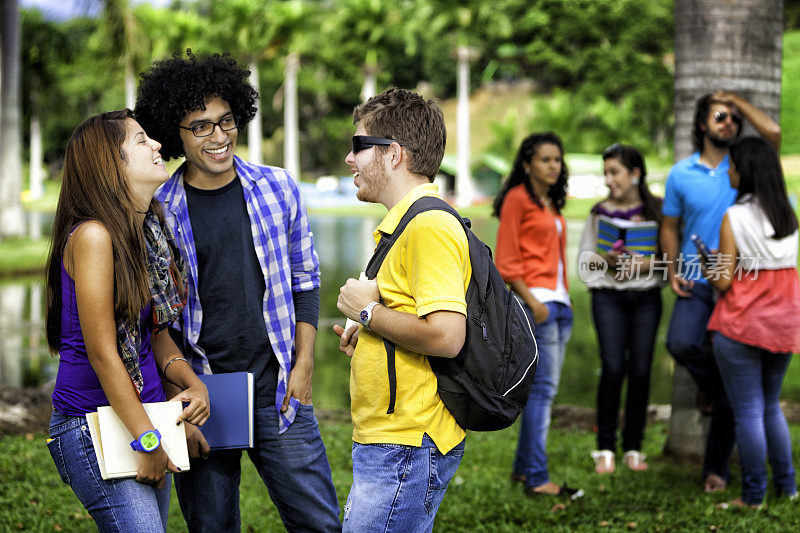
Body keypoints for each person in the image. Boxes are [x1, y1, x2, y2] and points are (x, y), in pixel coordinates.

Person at [134, 52, 340, 531]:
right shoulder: (158, 209)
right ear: (175, 133)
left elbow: (305, 281)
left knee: (320, 524)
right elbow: (153, 320)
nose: (219, 136)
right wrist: (177, 406)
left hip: (279, 391)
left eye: (226, 121)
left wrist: (305, 363)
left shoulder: (278, 188)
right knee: (212, 527)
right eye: (201, 126)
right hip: (201, 393)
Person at [44, 109, 210, 531]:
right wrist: (148, 439)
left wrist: (189, 387)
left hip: (145, 416)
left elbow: (152, 333)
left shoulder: (146, 230)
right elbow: (103, 353)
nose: (157, 145)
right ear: (110, 164)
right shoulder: (94, 236)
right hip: (93, 427)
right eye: (141, 140)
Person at [333, 88, 468, 532]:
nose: (350, 159)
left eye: (359, 146)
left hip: (408, 440)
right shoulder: (405, 224)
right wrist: (372, 333)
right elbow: (413, 317)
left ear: (393, 154)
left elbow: (448, 337)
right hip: (393, 440)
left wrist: (369, 314)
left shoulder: (428, 225)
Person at [660, 90, 781, 492]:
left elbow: (774, 133)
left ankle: (716, 469)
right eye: (719, 116)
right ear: (700, 124)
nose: (727, 122)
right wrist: (673, 266)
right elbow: (669, 226)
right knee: (680, 343)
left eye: (732, 118)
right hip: (697, 279)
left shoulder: (747, 165)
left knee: (736, 380)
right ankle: (712, 388)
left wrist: (738, 101)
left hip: (740, 287)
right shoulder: (680, 174)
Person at [704, 137, 799, 509]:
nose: (728, 170)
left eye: (731, 165)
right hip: (784, 325)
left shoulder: (734, 216)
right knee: (771, 408)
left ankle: (753, 495)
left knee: (747, 411)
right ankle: (788, 488)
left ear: (744, 172)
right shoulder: (788, 214)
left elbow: (725, 281)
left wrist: (710, 266)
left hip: (742, 325)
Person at [493, 132, 581, 498]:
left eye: (557, 160)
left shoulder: (549, 202)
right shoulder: (518, 198)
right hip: (537, 306)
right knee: (543, 393)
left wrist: (565, 299)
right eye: (545, 159)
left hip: (558, 304)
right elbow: (507, 262)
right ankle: (537, 478)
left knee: (542, 392)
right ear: (527, 163)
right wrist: (536, 303)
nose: (553, 166)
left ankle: (522, 469)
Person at [578, 144, 663, 474]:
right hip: (608, 297)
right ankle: (604, 448)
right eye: (606, 173)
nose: (609, 180)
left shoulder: (658, 210)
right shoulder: (599, 213)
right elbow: (585, 264)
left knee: (640, 370)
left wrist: (646, 265)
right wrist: (606, 260)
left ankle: (633, 446)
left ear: (635, 174)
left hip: (645, 299)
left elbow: (671, 262)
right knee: (613, 368)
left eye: (615, 172)